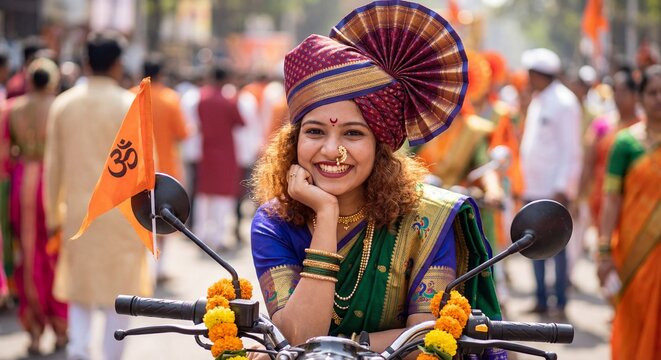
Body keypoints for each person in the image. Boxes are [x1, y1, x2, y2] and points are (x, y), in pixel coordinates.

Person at [249, 2, 504, 357]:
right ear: (294, 141)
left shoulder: (428, 220)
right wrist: (325, 214)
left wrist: (349, 350)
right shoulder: (274, 222)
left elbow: (426, 340)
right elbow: (297, 334)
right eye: (315, 132)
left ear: (381, 146)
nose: (332, 150)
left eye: (353, 134)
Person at [43, 31, 153, 360]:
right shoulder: (130, 105)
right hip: (123, 216)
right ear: (119, 64)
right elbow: (147, 172)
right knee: (119, 299)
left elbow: (53, 168)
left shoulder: (64, 105)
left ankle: (77, 353)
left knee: (80, 293)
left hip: (79, 214)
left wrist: (52, 216)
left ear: (87, 62)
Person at [597, 64, 661, 360]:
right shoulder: (625, 144)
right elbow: (611, 201)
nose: (659, 99)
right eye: (652, 92)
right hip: (634, 251)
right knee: (634, 321)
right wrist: (604, 251)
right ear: (640, 97)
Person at [6, 57, 68, 355]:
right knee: (55, 255)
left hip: (22, 184)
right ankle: (60, 327)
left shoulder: (11, 109)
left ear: (29, 80)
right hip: (52, 184)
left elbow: (6, 156)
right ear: (53, 81)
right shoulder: (59, 108)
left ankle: (33, 331)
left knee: (28, 256)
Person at [519, 48, 583, 318]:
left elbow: (572, 151)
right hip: (533, 186)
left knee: (556, 249)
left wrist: (563, 189)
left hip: (553, 190)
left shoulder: (565, 102)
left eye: (530, 73)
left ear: (537, 74)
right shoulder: (539, 99)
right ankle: (541, 300)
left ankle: (560, 302)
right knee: (531, 244)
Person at [131, 53, 189, 283]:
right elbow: (182, 133)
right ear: (161, 74)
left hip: (134, 169)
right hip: (165, 167)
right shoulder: (170, 99)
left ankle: (142, 268)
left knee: (138, 216)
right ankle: (159, 268)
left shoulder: (130, 97)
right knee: (164, 218)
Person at [195, 65, 244, 252]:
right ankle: (218, 237)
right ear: (225, 79)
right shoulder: (228, 101)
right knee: (223, 196)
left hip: (207, 151)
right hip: (225, 153)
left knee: (204, 195)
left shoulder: (202, 100)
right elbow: (241, 121)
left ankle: (201, 235)